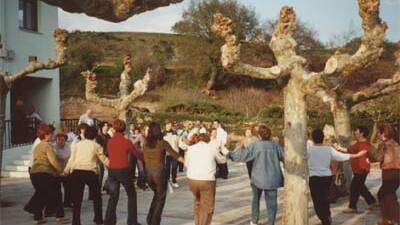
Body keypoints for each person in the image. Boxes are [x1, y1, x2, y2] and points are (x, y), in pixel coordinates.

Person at [221, 124, 283, 225]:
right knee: (272, 203)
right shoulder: (276, 145)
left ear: (259, 136)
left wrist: (229, 154)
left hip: (257, 178)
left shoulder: (255, 145)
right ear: (270, 135)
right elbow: (285, 157)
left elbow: (243, 155)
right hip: (273, 178)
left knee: (256, 200)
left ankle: (254, 221)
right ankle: (271, 222)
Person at [308, 129, 366, 225]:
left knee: (317, 200)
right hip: (327, 177)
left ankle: (324, 218)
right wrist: (357, 155)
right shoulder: (328, 149)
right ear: (323, 138)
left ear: (312, 139)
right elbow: (341, 156)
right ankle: (327, 216)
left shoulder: (308, 150)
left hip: (314, 178)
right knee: (325, 198)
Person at [64, 126, 109, 225]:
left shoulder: (77, 145)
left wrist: (65, 171)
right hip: (90, 172)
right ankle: (98, 219)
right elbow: (104, 159)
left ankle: (76, 222)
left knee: (77, 199)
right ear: (94, 135)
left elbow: (72, 159)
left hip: (77, 171)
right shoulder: (96, 146)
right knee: (97, 197)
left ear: (84, 134)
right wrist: (114, 166)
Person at [25, 124, 68, 224]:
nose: (52, 135)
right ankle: (59, 217)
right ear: (46, 135)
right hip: (44, 173)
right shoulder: (47, 146)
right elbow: (53, 161)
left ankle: (38, 218)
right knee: (56, 193)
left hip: (34, 173)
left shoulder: (37, 146)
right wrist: (61, 171)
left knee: (41, 193)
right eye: (50, 133)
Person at [143, 122, 184, 225]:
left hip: (148, 174)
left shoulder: (145, 144)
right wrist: (187, 162)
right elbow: (175, 155)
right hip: (159, 174)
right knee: (161, 199)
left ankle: (150, 219)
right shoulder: (162, 142)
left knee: (156, 196)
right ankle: (154, 222)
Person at [105, 119, 143, 225]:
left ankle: (109, 221)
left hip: (112, 170)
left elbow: (109, 154)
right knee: (131, 195)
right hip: (124, 170)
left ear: (114, 128)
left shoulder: (110, 141)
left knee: (113, 196)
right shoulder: (127, 142)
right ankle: (132, 221)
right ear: (124, 129)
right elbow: (137, 155)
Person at [186, 133, 226, 225]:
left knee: (197, 202)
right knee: (207, 207)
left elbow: (186, 164)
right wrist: (222, 150)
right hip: (207, 180)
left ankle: (197, 223)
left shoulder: (191, 149)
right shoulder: (212, 148)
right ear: (208, 140)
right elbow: (222, 160)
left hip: (192, 179)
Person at [342, 126, 378, 213]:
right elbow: (348, 149)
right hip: (358, 170)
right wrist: (337, 148)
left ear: (362, 133)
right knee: (361, 187)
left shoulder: (365, 144)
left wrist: (349, 155)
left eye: (356, 130)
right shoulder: (357, 143)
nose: (355, 132)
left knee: (354, 187)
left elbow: (359, 154)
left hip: (362, 169)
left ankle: (352, 207)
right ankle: (372, 202)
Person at [375, 123, 400, 225]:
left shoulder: (383, 145)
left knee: (384, 194)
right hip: (398, 172)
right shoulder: (396, 142)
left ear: (382, 133)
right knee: (388, 194)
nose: (376, 134)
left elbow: (378, 158)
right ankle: (388, 219)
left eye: (378, 132)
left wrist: (369, 152)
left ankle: (392, 219)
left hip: (389, 172)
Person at [54, 133, 73, 208]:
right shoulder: (54, 147)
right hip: (57, 171)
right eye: (58, 140)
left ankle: (67, 202)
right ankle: (57, 204)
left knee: (68, 187)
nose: (60, 142)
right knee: (57, 189)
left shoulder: (68, 147)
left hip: (66, 170)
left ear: (65, 141)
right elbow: (60, 157)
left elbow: (69, 156)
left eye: (62, 140)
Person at [129, 125, 147, 190]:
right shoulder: (131, 135)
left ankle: (141, 183)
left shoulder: (140, 136)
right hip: (132, 155)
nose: (136, 132)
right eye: (135, 131)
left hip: (139, 154)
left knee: (141, 169)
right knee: (132, 170)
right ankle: (138, 183)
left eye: (137, 131)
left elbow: (134, 143)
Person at [163, 121, 180, 188]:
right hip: (167, 154)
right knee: (167, 168)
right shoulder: (162, 134)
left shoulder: (175, 133)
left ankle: (174, 181)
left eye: (170, 125)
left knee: (174, 167)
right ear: (166, 125)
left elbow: (179, 142)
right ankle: (167, 181)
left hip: (175, 153)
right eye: (168, 125)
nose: (169, 126)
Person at [95, 121, 111, 190]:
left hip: (107, 155)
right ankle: (97, 189)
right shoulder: (98, 136)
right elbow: (98, 147)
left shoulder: (108, 135)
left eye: (107, 125)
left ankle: (106, 186)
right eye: (105, 126)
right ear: (102, 127)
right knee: (100, 172)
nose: (106, 127)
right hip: (100, 156)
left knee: (111, 171)